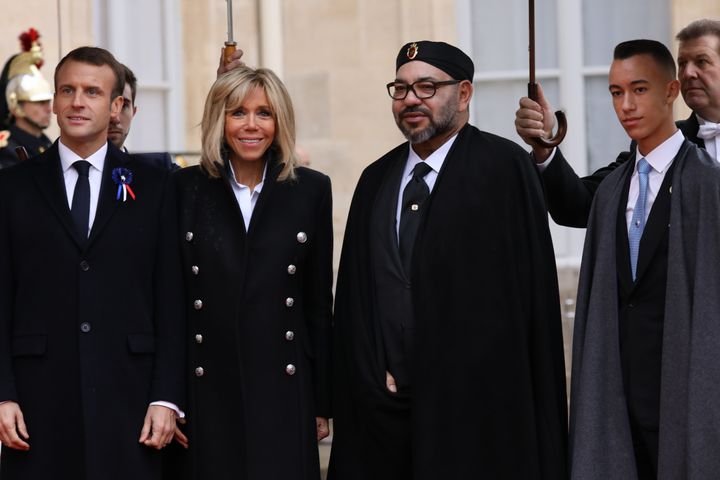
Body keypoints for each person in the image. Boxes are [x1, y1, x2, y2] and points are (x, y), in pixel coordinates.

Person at [328, 40, 567, 480]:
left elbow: (529, 301)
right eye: (400, 89)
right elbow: (355, 298)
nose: (411, 100)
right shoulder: (375, 177)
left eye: (426, 86)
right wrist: (368, 370)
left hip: (477, 422)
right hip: (384, 421)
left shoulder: (504, 169)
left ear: (464, 94)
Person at [0, 46, 185, 479]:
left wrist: (166, 397)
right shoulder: (12, 187)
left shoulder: (157, 186)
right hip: (36, 404)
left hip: (132, 401)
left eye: (92, 92)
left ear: (117, 105)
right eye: (67, 90)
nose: (77, 102)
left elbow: (172, 297)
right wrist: (2, 393)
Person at [165, 66, 333, 479]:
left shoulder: (310, 189)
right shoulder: (183, 188)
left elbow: (317, 306)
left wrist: (323, 402)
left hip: (284, 391)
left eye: (265, 113)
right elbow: (170, 304)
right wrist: (169, 398)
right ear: (219, 120)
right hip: (205, 392)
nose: (252, 126)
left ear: (280, 121)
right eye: (237, 112)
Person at [567, 39, 720, 479]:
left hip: (686, 393)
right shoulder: (611, 191)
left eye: (639, 90)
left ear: (671, 91)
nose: (626, 106)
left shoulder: (707, 186)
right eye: (616, 93)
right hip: (616, 399)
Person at [515, 18, 720, 227]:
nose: (688, 73)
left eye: (701, 61)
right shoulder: (660, 146)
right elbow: (580, 205)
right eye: (683, 63)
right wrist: (545, 144)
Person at [108, 63, 177, 170]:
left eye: (124, 105)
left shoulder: (158, 172)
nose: (115, 118)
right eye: (108, 105)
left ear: (133, 112)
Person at [0, 28, 52, 168]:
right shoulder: (6, 150)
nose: (49, 109)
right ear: (15, 105)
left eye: (48, 101)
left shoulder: (48, 145)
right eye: (40, 102)